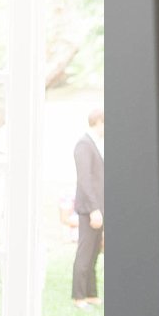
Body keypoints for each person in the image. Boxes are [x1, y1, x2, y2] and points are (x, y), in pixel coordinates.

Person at [72, 109, 104, 305]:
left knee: (93, 253)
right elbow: (85, 179)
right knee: (85, 252)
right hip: (90, 209)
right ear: (99, 122)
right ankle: (78, 295)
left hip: (99, 208)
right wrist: (94, 209)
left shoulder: (95, 145)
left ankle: (91, 293)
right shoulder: (84, 145)